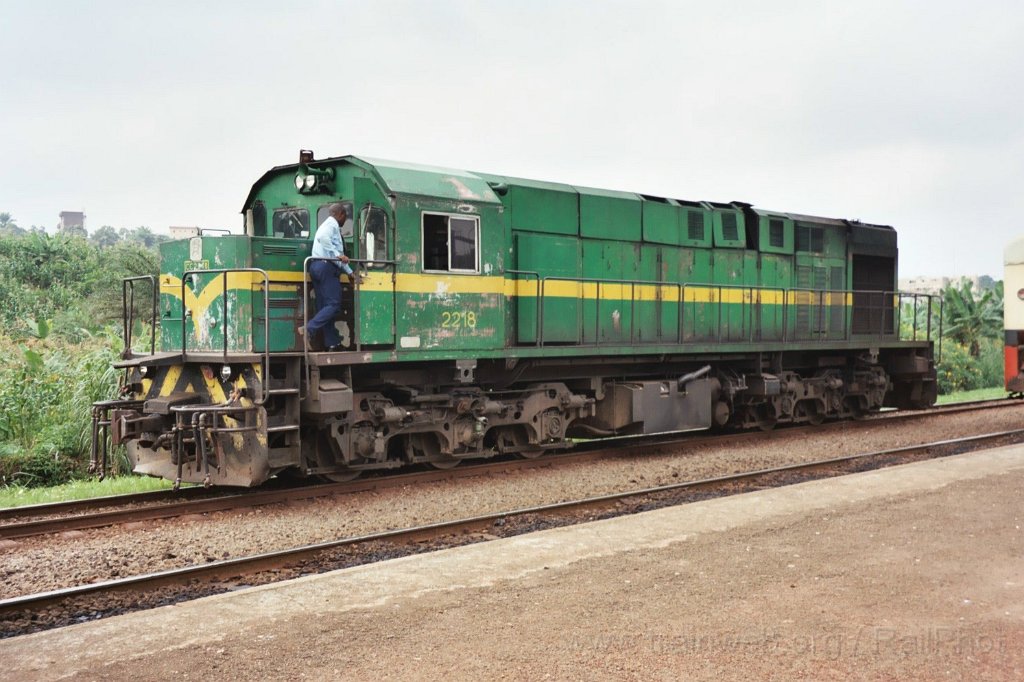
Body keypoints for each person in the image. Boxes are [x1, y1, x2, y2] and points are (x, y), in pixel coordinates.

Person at [306, 203, 358, 352]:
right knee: (334, 305)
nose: (345, 220)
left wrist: (349, 272)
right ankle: (310, 328)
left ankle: (332, 343)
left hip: (316, 266)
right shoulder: (332, 225)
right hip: (326, 268)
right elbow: (325, 240)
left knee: (325, 308)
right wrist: (338, 254)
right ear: (340, 214)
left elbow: (338, 259)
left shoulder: (326, 225)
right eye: (345, 217)